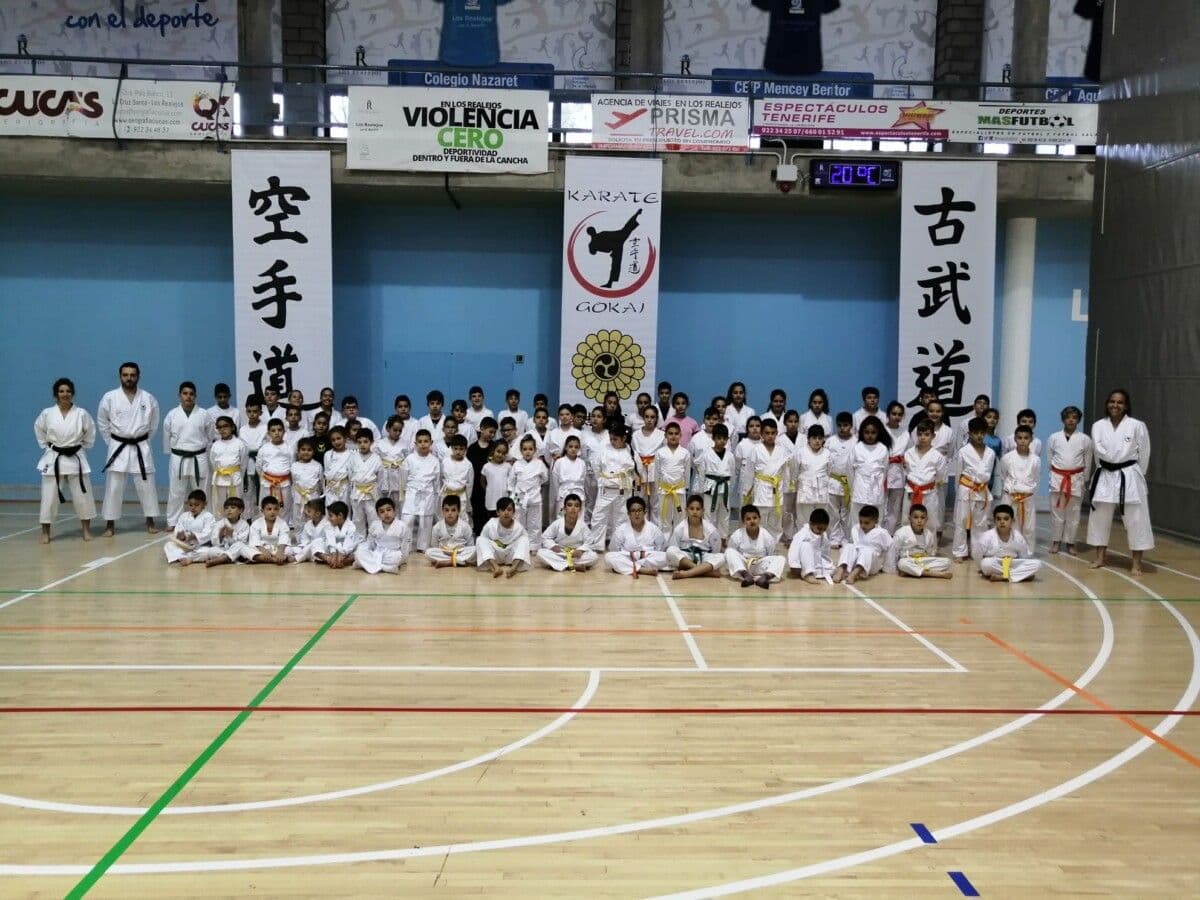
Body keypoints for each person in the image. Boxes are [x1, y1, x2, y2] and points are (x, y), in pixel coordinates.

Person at [1087, 389, 1153, 575]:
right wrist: (1106, 466)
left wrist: (1139, 474)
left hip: (1129, 474)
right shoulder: (1098, 426)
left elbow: (1145, 452)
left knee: (1136, 519)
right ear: (1107, 404)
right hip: (1105, 473)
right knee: (1100, 517)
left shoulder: (1137, 425)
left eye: (1120, 402)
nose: (1115, 405)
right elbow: (1098, 452)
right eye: (1112, 401)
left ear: (1126, 406)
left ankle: (1136, 563)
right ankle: (1100, 557)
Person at [97, 361, 160, 536]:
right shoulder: (110, 397)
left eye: (132, 375)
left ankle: (150, 520)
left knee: (147, 485)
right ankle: (110, 524)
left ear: (138, 376)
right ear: (120, 376)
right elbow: (102, 422)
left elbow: (154, 424)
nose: (129, 378)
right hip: (118, 445)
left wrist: (142, 439)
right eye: (125, 375)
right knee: (114, 486)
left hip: (140, 445)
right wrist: (112, 442)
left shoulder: (148, 398)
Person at [35, 377, 97, 543]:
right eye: (61, 391)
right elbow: (39, 430)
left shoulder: (81, 413)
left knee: (83, 496)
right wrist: (48, 447)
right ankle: (45, 532)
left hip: (75, 457)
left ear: (72, 393)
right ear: (56, 394)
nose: (65, 394)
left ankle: (86, 530)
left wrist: (81, 447)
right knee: (49, 497)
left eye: (68, 391)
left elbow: (90, 432)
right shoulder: (47, 413)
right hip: (54, 457)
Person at [1047, 405, 1093, 555]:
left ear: (1078, 420)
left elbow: (1088, 461)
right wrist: (1053, 475)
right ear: (1063, 419)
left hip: (1076, 479)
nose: (1071, 420)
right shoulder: (1054, 437)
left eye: (1074, 417)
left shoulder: (1085, 439)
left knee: (1073, 513)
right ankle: (1056, 541)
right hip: (1058, 478)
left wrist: (1084, 480)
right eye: (1068, 417)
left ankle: (1070, 543)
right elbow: (1049, 459)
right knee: (1057, 512)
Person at [952, 417, 996, 562]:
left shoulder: (990, 452)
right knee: (962, 521)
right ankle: (959, 551)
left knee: (981, 523)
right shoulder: (963, 451)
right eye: (976, 433)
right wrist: (959, 492)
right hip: (966, 489)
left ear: (986, 433)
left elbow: (989, 473)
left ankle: (979, 550)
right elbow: (958, 474)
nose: (979, 436)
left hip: (982, 490)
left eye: (982, 433)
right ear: (970, 433)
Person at [591, 423, 637, 547]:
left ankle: (618, 545)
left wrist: (629, 480)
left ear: (624, 438)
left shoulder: (630, 451)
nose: (612, 441)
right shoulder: (604, 449)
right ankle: (596, 545)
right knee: (599, 516)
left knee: (621, 517)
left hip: (623, 489)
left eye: (615, 439)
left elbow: (637, 469)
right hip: (606, 487)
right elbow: (595, 465)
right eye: (611, 438)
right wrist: (601, 479)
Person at [999, 424, 1041, 552]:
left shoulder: (1036, 460)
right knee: (1009, 525)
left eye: (1026, 438)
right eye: (1020, 438)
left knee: (1029, 527)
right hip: (1010, 496)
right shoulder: (1007, 458)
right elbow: (1003, 476)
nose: (1022, 441)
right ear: (1015, 439)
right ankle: (1008, 552)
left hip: (1028, 497)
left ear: (1031, 439)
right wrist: (1011, 490)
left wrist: (1028, 491)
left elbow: (1036, 478)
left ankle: (1027, 553)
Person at [976, 504, 1041, 582]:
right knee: (986, 563)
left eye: (1006, 519)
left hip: (1012, 564)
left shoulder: (1018, 537)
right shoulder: (987, 536)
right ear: (994, 521)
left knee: (1037, 564)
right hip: (996, 563)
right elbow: (978, 556)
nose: (1002, 522)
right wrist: (981, 568)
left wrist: (1019, 565)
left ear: (1012, 521)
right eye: (998, 519)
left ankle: (1003, 576)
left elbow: (1024, 557)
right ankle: (1019, 575)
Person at [726, 504, 785, 589]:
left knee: (781, 558)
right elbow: (732, 556)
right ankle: (746, 576)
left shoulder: (766, 535)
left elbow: (771, 554)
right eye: (748, 519)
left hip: (760, 565)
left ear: (759, 519)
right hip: (743, 565)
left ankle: (764, 578)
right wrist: (739, 565)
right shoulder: (737, 535)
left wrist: (767, 565)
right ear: (743, 521)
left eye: (755, 518)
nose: (752, 521)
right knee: (729, 552)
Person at [606, 496, 669, 576]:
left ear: (644, 512)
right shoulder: (621, 530)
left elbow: (660, 549)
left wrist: (647, 558)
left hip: (648, 559)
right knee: (609, 556)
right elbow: (614, 550)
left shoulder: (654, 529)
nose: (637, 514)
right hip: (629, 558)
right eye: (633, 511)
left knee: (668, 556)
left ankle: (630, 567)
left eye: (639, 510)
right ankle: (641, 569)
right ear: (628, 514)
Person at [885, 504, 952, 579]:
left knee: (947, 562)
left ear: (926, 519)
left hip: (922, 561)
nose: (919, 521)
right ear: (909, 518)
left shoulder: (928, 534)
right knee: (902, 564)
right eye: (916, 517)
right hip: (908, 560)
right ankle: (934, 574)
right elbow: (894, 551)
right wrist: (892, 567)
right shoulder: (901, 532)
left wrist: (927, 559)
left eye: (922, 518)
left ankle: (910, 572)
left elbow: (930, 552)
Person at [903, 420, 947, 534]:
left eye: (927, 434)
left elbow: (940, 476)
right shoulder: (908, 453)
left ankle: (929, 544)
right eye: (920, 434)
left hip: (929, 493)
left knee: (930, 521)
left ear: (933, 436)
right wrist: (912, 487)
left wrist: (929, 485)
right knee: (907, 519)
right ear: (916, 435)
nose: (923, 437)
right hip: (911, 491)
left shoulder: (938, 456)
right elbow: (906, 472)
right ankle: (907, 543)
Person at [402, 429, 441, 553]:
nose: (423, 444)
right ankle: (406, 545)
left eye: (426, 441)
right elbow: (403, 478)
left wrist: (436, 495)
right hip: (412, 492)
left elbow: (437, 481)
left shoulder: (434, 460)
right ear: (415, 443)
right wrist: (404, 492)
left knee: (426, 520)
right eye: (420, 441)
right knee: (408, 519)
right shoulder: (409, 459)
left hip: (428, 493)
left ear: (431, 443)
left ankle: (423, 546)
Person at [749, 419, 790, 536]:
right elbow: (749, 471)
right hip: (761, 487)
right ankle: (760, 541)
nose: (770, 436)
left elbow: (785, 471)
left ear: (777, 433)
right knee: (760, 518)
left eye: (773, 433)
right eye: (767, 433)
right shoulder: (756, 449)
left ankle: (773, 543)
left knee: (776, 520)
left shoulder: (782, 450)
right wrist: (747, 489)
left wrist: (786, 488)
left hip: (777, 488)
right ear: (761, 434)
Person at [833, 504, 893, 585]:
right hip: (857, 560)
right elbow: (853, 549)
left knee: (866, 551)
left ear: (876, 521)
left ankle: (854, 574)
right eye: (860, 522)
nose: (862, 525)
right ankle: (840, 571)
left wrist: (888, 568)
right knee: (848, 546)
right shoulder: (856, 529)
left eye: (866, 523)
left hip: (872, 564)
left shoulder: (882, 533)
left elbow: (890, 548)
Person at [538, 493, 599, 572]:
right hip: (560, 553)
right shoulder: (558, 523)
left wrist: (581, 550)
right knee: (541, 553)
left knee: (594, 556)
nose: (573, 508)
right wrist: (553, 546)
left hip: (575, 554)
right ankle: (572, 566)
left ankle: (560, 564)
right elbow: (545, 537)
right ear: (564, 508)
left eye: (576, 506)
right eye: (569, 505)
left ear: (580, 509)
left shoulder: (582, 526)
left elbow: (589, 542)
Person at [667, 495, 724, 579]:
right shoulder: (679, 528)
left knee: (721, 557)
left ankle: (687, 573)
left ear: (703, 511)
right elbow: (674, 546)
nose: (695, 512)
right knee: (670, 550)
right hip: (687, 558)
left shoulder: (711, 530)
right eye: (691, 508)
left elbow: (715, 551)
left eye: (698, 509)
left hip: (704, 558)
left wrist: (709, 561)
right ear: (686, 510)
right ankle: (703, 571)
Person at [793, 424, 832, 545]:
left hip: (821, 490)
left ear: (823, 439)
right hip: (805, 489)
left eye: (820, 438)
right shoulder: (800, 452)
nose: (817, 441)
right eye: (814, 438)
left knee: (821, 517)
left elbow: (829, 471)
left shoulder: (827, 453)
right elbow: (795, 471)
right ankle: (802, 542)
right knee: (803, 520)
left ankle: (820, 542)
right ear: (808, 439)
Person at [848, 416, 890, 527]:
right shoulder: (857, 448)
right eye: (867, 432)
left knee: (876, 518)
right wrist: (854, 487)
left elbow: (885, 471)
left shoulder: (883, 449)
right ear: (862, 433)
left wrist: (879, 485)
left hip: (876, 487)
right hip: (859, 488)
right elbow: (850, 471)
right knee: (857, 520)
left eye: (873, 432)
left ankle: (875, 537)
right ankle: (856, 537)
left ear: (878, 433)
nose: (870, 435)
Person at [696, 423, 735, 538]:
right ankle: (709, 538)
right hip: (710, 488)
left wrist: (730, 489)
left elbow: (732, 474)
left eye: (724, 438)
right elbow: (701, 474)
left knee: (725, 515)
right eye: (719, 438)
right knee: (709, 514)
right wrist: (702, 490)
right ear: (713, 438)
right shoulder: (706, 454)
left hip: (725, 488)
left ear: (727, 439)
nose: (722, 441)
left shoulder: (730, 456)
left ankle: (723, 538)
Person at [476, 497, 531, 578]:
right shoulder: (491, 524)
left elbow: (524, 547)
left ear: (513, 512)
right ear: (497, 512)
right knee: (480, 539)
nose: (506, 512)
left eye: (509, 510)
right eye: (503, 510)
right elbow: (483, 543)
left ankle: (513, 568)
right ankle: (496, 567)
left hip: (511, 556)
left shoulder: (519, 527)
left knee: (524, 539)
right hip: (495, 555)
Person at [509, 435, 548, 548]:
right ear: (521, 450)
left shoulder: (539, 464)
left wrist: (535, 486)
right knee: (517, 520)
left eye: (530, 449)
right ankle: (518, 544)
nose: (527, 452)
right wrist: (513, 495)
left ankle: (534, 545)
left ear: (535, 450)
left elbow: (544, 478)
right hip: (518, 496)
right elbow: (511, 481)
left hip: (534, 496)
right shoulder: (517, 464)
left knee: (534, 522)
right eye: (525, 449)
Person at [826, 412, 856, 547]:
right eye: (839, 425)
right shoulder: (830, 441)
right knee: (833, 512)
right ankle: (833, 537)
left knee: (846, 513)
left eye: (846, 425)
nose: (842, 428)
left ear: (851, 425)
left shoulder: (856, 442)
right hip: (832, 481)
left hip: (849, 482)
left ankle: (845, 537)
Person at [655, 422, 692, 533]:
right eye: (670, 433)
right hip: (664, 490)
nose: (673, 436)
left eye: (676, 433)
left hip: (679, 489)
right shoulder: (660, 452)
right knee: (664, 518)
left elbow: (687, 473)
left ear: (680, 435)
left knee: (680, 518)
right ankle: (664, 540)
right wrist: (658, 488)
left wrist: (685, 488)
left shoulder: (685, 453)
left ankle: (678, 539)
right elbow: (657, 473)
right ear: (665, 435)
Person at [355, 497, 406, 574]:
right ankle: (385, 567)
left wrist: (403, 559)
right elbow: (370, 542)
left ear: (394, 511)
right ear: (378, 515)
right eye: (382, 512)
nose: (386, 513)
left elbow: (405, 544)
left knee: (397, 558)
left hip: (393, 553)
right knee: (359, 552)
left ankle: (369, 564)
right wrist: (369, 552)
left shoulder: (402, 525)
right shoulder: (375, 525)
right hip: (377, 552)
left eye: (388, 510)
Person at [208, 415, 248, 515]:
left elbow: (243, 463)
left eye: (225, 426)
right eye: (219, 427)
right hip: (219, 478)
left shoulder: (240, 444)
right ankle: (220, 521)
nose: (222, 429)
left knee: (236, 502)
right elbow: (213, 463)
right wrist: (221, 471)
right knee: (220, 503)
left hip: (234, 478)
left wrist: (238, 474)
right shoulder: (215, 445)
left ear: (232, 427)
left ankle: (237, 521)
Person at [163, 489, 215, 566]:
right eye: (190, 505)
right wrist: (181, 536)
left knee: (207, 552)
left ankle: (186, 557)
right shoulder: (184, 516)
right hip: (185, 545)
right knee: (168, 545)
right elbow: (178, 530)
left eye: (196, 505)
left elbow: (208, 533)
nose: (193, 508)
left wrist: (195, 536)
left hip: (200, 546)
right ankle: (183, 557)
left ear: (204, 504)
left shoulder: (209, 517)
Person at [882, 402, 911, 533]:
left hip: (899, 472)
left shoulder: (905, 433)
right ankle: (878, 531)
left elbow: (909, 453)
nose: (896, 417)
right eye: (894, 413)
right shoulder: (881, 430)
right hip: (882, 471)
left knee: (895, 506)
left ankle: (890, 533)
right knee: (881, 503)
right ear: (888, 414)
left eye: (899, 414)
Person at [257, 418, 295, 514]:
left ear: (284, 431)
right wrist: (267, 478)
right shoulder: (264, 448)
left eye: (279, 430)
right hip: (267, 483)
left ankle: (284, 523)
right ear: (268, 433)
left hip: (284, 483)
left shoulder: (289, 448)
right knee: (266, 506)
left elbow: (293, 466)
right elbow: (259, 466)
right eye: (273, 431)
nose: (277, 433)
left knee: (284, 508)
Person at [427, 495, 477, 568]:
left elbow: (470, 545)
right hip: (444, 553)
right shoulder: (437, 527)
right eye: (447, 510)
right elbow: (434, 546)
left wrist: (466, 553)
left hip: (460, 552)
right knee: (428, 552)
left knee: (475, 550)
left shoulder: (465, 526)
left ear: (458, 511)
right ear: (443, 511)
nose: (450, 513)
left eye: (453, 510)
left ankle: (449, 562)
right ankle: (458, 561)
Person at [349, 429, 382, 534]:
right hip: (357, 492)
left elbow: (380, 478)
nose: (362, 444)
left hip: (371, 492)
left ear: (371, 442)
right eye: (359, 442)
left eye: (365, 442)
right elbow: (350, 475)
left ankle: (374, 539)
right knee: (357, 518)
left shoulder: (377, 458)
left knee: (373, 517)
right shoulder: (353, 457)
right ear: (356, 443)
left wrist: (378, 491)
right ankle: (359, 540)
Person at [201, 496, 251, 567]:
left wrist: (232, 534)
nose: (229, 510)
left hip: (237, 548)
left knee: (240, 546)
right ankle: (228, 558)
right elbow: (214, 542)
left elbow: (243, 541)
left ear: (241, 510)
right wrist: (220, 536)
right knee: (211, 551)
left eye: (233, 508)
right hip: (224, 549)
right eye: (226, 508)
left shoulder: (244, 525)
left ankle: (221, 559)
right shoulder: (220, 523)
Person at [467, 417, 497, 534]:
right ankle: (478, 536)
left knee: (490, 514)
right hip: (475, 488)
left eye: (494, 433)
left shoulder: (495, 448)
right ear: (482, 429)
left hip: (491, 488)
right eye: (490, 431)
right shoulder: (472, 448)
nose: (492, 435)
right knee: (477, 513)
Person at [787, 507, 833, 583]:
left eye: (824, 529)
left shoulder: (823, 535)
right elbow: (793, 551)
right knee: (806, 545)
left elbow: (825, 554)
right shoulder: (802, 534)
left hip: (816, 565)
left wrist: (826, 565)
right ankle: (808, 574)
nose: (821, 531)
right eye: (819, 528)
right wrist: (795, 566)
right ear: (811, 524)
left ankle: (814, 571)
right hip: (802, 566)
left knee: (832, 570)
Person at [240, 396, 267, 518]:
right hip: (246, 464)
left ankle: (262, 518)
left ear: (261, 412)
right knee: (247, 494)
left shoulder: (266, 428)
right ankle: (248, 518)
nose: (252, 414)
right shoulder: (242, 429)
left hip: (262, 464)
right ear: (246, 411)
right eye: (249, 411)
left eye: (255, 411)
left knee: (262, 494)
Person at [242, 495, 291, 565]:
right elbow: (254, 540)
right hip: (261, 549)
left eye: (275, 509)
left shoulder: (283, 523)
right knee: (244, 549)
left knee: (289, 550)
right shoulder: (256, 523)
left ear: (279, 510)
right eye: (269, 509)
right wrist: (263, 550)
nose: (272, 512)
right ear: (262, 511)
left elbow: (284, 539)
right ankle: (274, 560)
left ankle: (263, 559)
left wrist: (280, 552)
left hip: (277, 548)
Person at [440, 435, 475, 527]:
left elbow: (470, 483)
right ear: (451, 448)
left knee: (461, 518)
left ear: (466, 449)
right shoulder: (445, 462)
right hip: (446, 493)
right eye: (455, 448)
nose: (458, 451)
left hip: (461, 496)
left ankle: (462, 535)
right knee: (445, 516)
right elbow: (441, 478)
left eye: (461, 449)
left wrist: (468, 498)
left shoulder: (468, 464)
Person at [289, 438, 323, 529]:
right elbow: (293, 482)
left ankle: (313, 535)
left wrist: (316, 494)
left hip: (313, 497)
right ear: (298, 451)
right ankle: (299, 536)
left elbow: (320, 482)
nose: (306, 452)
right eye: (303, 449)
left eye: (309, 450)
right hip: (298, 497)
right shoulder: (294, 466)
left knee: (313, 518)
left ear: (313, 451)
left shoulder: (318, 466)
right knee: (298, 518)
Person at [314, 501, 360, 569]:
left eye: (331, 516)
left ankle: (344, 561)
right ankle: (329, 560)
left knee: (360, 550)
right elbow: (330, 539)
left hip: (347, 552)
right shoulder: (329, 525)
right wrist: (333, 553)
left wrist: (342, 554)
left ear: (340, 515)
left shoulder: (351, 526)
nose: (329, 519)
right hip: (332, 552)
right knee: (316, 542)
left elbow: (349, 543)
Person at [551, 435, 588, 517]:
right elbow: (555, 481)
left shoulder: (582, 463)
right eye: (570, 446)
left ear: (579, 449)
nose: (573, 449)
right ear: (566, 448)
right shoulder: (559, 462)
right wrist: (558, 495)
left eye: (576, 447)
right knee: (561, 518)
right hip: (563, 494)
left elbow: (584, 480)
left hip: (579, 493)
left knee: (579, 519)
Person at [377, 416, 407, 508]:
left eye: (400, 431)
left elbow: (408, 461)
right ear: (388, 429)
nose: (397, 433)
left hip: (400, 476)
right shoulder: (379, 444)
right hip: (385, 476)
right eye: (395, 430)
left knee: (401, 505)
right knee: (386, 504)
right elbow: (376, 461)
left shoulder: (405, 443)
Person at [321, 426, 353, 509]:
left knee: (344, 510)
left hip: (344, 488)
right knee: (330, 510)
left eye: (339, 438)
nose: (336, 442)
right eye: (333, 440)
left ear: (345, 438)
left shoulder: (351, 454)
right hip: (330, 488)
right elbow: (327, 472)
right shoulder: (328, 454)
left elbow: (351, 474)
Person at [288, 498, 328, 563]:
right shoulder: (308, 524)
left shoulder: (327, 524)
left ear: (317, 513)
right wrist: (304, 547)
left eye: (309, 511)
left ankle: (296, 558)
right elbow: (304, 540)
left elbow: (326, 543)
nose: (306, 513)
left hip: (321, 551)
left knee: (316, 542)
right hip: (307, 549)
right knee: (289, 549)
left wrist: (310, 546)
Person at [724, 381, 756, 445]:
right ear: (731, 394)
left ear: (744, 395)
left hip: (746, 443)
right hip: (727, 442)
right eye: (735, 393)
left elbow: (753, 430)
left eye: (741, 393)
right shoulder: (726, 410)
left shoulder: (750, 411)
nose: (738, 395)